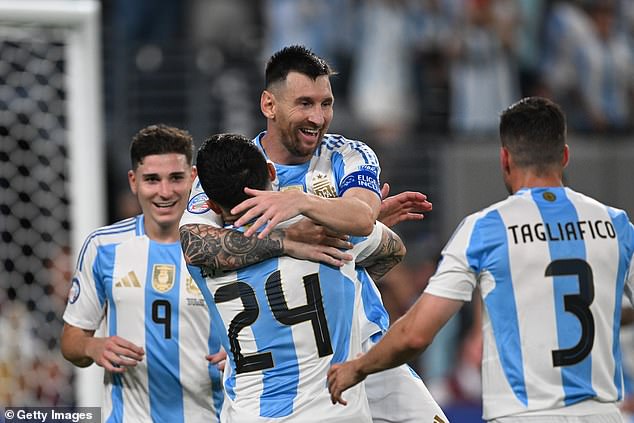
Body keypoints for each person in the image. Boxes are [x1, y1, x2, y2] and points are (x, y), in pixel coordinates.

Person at [180, 45, 447, 422]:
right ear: (269, 105)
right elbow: (194, 245)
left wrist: (301, 205)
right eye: (305, 103)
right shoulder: (236, 169)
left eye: (326, 103)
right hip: (287, 367)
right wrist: (292, 240)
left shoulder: (349, 154)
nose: (318, 118)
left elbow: (361, 217)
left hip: (363, 344)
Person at [327, 96, 634, 423]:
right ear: (566, 157)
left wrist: (357, 367)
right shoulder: (617, 226)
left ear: (504, 159)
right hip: (604, 415)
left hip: (524, 415)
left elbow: (416, 334)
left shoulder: (485, 229)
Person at [190, 133, 409, 422]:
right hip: (334, 411)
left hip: (251, 414)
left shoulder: (203, 256)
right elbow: (393, 249)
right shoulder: (325, 230)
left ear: (213, 206)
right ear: (271, 172)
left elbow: (195, 243)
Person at [60, 125, 224, 422]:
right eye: (152, 180)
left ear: (193, 177)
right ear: (133, 182)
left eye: (175, 178)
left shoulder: (225, 247)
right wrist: (92, 345)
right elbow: (71, 338)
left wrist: (239, 355)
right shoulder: (103, 247)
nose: (165, 192)